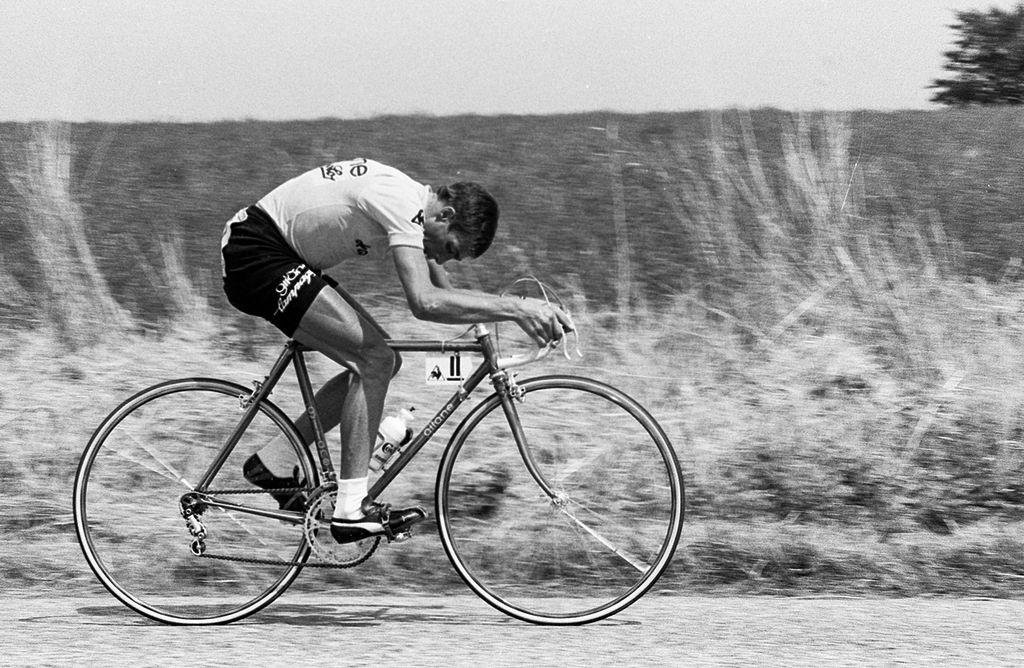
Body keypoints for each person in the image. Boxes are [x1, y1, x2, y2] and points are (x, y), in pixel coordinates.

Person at [220, 157, 573, 544]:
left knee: (384, 362)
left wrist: (505, 317)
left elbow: (446, 295)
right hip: (256, 253)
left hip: (278, 255)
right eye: (451, 249)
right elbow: (424, 303)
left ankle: (276, 461)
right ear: (446, 213)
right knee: (374, 360)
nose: (440, 258)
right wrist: (518, 308)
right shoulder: (402, 204)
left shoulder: (415, 208)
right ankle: (351, 509)